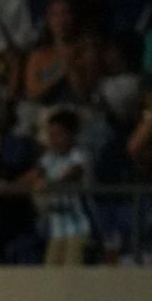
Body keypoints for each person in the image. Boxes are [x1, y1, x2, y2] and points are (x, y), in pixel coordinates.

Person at [27, 108, 93, 264]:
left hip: (79, 229)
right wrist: (4, 185)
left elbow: (73, 174)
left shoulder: (80, 155)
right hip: (56, 231)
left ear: (71, 134)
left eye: (59, 134)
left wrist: (49, 185)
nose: (54, 139)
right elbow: (33, 175)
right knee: (51, 276)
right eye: (51, 135)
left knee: (71, 277)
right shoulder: (49, 158)